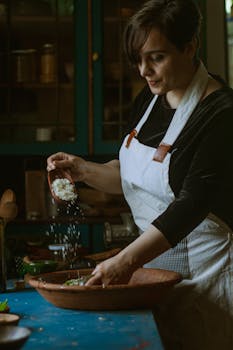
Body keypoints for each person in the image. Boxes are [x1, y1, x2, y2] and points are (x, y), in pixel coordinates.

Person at [47, 0, 233, 348]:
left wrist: (124, 261)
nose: (144, 70)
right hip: (156, 279)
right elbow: (132, 177)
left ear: (190, 46)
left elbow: (189, 206)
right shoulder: (149, 101)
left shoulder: (221, 114)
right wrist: (84, 169)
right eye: (138, 58)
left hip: (211, 281)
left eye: (156, 57)